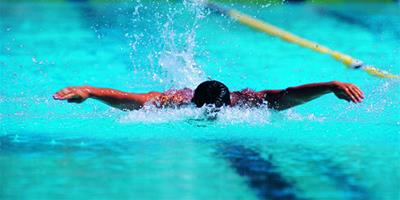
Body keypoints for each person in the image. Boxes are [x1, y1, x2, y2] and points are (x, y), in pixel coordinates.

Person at [53, 80, 364, 111]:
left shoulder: (245, 101)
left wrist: (330, 85)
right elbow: (130, 99)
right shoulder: (175, 101)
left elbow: (287, 95)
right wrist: (89, 92)